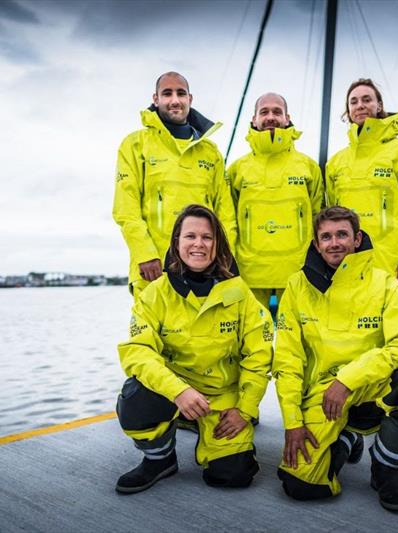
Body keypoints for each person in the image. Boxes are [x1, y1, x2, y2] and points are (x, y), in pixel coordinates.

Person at [273, 206, 398, 512]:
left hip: (372, 383)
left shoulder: (384, 282)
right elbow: (287, 359)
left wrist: (347, 379)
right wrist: (293, 422)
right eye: (326, 236)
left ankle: (386, 467)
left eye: (342, 234)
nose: (334, 242)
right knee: (302, 486)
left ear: (357, 238)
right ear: (316, 243)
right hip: (323, 394)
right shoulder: (297, 286)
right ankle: (347, 438)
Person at [114, 204, 272, 493]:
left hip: (222, 398)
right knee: (136, 399)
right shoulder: (154, 294)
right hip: (174, 394)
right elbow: (138, 352)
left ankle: (210, 435)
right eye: (190, 236)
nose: (198, 244)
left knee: (233, 477)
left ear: (217, 245)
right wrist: (178, 391)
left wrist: (244, 410)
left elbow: (259, 356)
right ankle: (159, 458)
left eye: (207, 237)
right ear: (176, 243)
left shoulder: (241, 294)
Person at [113, 72, 237, 304]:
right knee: (150, 337)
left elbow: (225, 213)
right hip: (154, 267)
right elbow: (125, 209)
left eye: (180, 93)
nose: (174, 100)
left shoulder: (210, 152)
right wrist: (145, 253)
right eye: (167, 93)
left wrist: (224, 258)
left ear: (190, 98)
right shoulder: (135, 144)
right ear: (156, 99)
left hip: (204, 266)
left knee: (205, 337)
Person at [326, 79, 398, 302]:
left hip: (392, 268)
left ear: (379, 105)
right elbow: (329, 219)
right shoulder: (336, 162)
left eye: (367, 99)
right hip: (348, 270)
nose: (360, 105)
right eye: (353, 101)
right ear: (348, 111)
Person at [227, 92, 323, 310]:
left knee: (299, 340)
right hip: (247, 274)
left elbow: (320, 218)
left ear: (287, 118)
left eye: (277, 112)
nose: (271, 117)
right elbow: (227, 220)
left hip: (298, 273)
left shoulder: (308, 167)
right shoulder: (236, 170)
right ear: (254, 120)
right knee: (247, 340)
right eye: (264, 112)